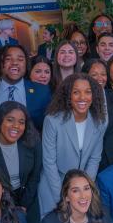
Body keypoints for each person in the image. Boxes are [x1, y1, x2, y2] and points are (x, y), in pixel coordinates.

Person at [36, 73, 108, 215]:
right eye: (76, 92)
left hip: (82, 187)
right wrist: (63, 197)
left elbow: (94, 159)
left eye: (88, 92)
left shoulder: (98, 122)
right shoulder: (52, 120)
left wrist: (84, 190)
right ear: (68, 95)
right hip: (54, 185)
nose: (82, 97)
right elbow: (49, 163)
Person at [0, 44, 51, 130]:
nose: (15, 63)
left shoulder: (42, 91)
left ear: (26, 64)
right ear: (0, 63)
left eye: (20, 59)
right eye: (8, 59)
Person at [86, 59, 113, 171]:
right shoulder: (80, 100)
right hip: (87, 158)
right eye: (94, 75)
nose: (99, 78)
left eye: (103, 74)